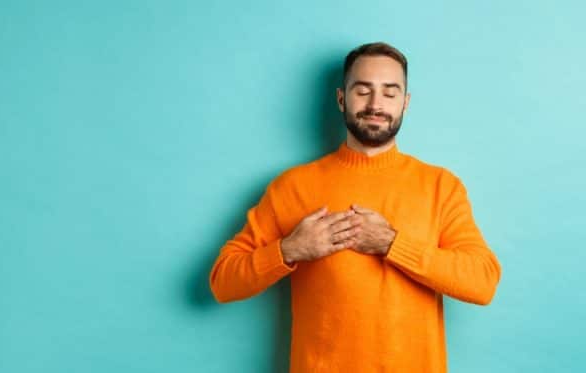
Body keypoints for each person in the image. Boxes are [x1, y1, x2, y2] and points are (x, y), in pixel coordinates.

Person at [209, 41, 502, 372]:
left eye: (390, 93)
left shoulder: (441, 187)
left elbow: (483, 283)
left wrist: (392, 244)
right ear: (341, 98)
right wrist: (289, 250)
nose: (376, 104)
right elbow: (223, 282)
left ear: (405, 103)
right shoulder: (292, 186)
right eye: (363, 90)